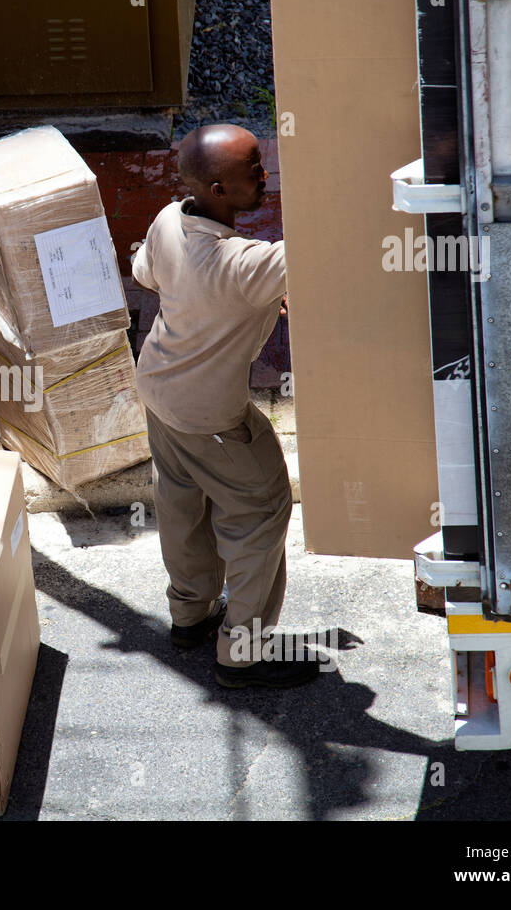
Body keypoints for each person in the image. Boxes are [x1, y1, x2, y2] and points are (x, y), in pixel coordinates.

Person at [131, 123, 316, 689]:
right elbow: (328, 250)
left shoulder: (168, 219)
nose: (265, 175)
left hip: (158, 387)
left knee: (182, 501)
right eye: (252, 170)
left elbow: (147, 272)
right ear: (215, 188)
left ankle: (190, 617)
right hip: (210, 414)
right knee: (260, 509)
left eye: (260, 161)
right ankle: (243, 654)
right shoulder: (244, 264)